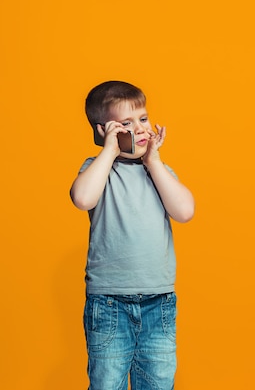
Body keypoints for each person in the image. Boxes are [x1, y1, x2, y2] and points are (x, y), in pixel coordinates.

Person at [70, 80, 195, 389]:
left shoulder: (158, 171)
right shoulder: (97, 169)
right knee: (107, 383)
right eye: (126, 123)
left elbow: (185, 212)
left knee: (158, 382)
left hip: (159, 301)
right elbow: (83, 198)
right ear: (104, 131)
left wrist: (153, 160)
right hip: (110, 303)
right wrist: (109, 152)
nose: (139, 128)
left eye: (142, 118)